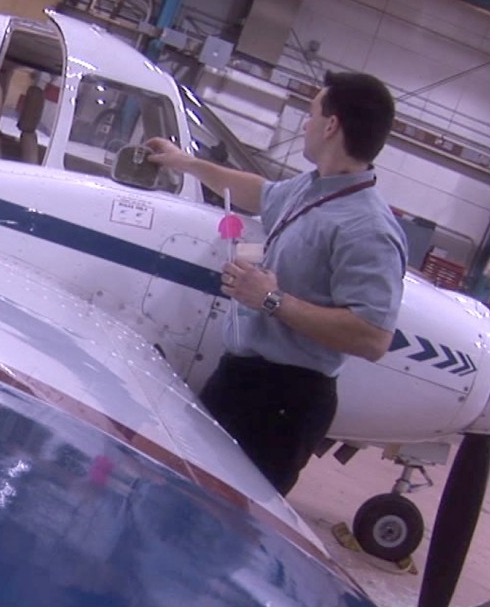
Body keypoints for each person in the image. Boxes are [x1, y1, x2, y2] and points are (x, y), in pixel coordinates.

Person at [145, 71, 406, 495]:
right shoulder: (312, 187)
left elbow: (373, 337)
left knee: (225, 518)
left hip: (284, 402)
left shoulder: (369, 228)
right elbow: (260, 193)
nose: (304, 124)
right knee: (179, 493)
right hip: (239, 378)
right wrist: (185, 163)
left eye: (311, 113)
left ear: (331, 125)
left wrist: (271, 300)